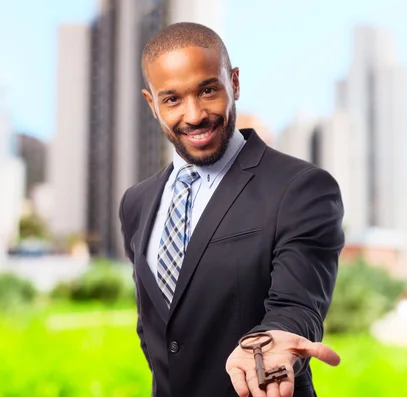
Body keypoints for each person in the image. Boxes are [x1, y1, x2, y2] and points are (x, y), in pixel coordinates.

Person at [118, 22, 345, 397]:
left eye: (208, 90)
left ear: (234, 82)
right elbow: (157, 325)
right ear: (151, 104)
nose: (193, 115)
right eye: (172, 99)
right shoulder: (137, 203)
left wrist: (273, 343)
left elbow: (297, 305)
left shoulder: (301, 187)